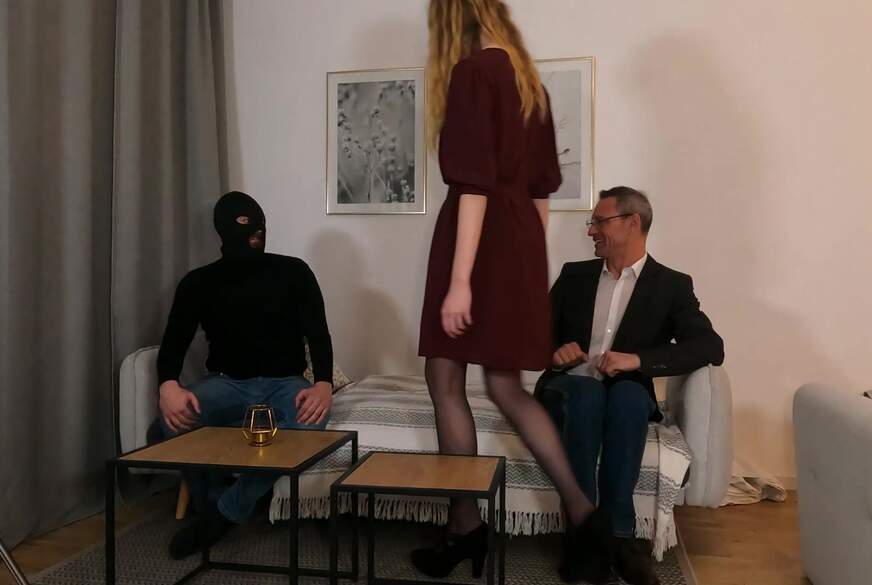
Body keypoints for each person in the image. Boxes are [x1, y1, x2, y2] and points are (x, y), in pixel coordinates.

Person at [415, 1, 611, 581]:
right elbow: (542, 192)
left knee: (444, 378)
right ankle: (585, 517)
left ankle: (465, 525)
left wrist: (460, 283)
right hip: (520, 243)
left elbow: (473, 187)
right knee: (505, 385)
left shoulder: (473, 71)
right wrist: (527, 270)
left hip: (481, 244)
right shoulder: (529, 83)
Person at [536, 186, 725, 585]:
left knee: (628, 396)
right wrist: (555, 352)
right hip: (570, 386)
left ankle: (620, 538)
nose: (591, 231)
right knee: (588, 393)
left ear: (632, 223)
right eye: (592, 223)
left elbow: (710, 346)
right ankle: (582, 535)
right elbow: (534, 337)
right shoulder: (574, 276)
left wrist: (638, 360)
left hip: (627, 391)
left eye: (599, 222)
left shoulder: (671, 285)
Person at [156, 191, 335, 559]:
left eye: (260, 227)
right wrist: (167, 385)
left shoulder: (294, 271)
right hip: (227, 383)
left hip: (285, 383)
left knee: (310, 422)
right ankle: (211, 501)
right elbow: (174, 340)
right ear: (223, 229)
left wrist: (323, 384)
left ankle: (225, 513)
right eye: (246, 227)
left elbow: (318, 333)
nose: (256, 234)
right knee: (165, 427)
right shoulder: (198, 282)